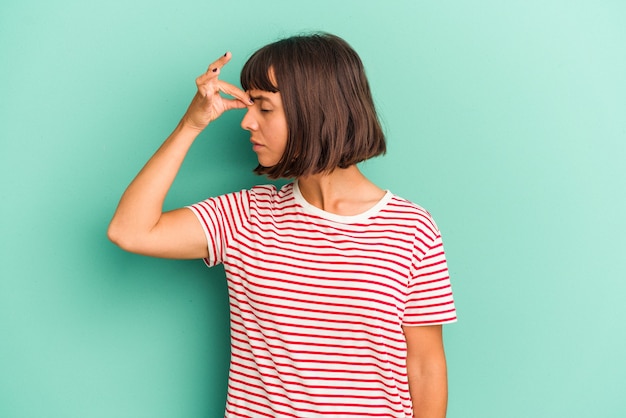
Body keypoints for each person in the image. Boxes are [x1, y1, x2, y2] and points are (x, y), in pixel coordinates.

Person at [108, 33, 456, 418]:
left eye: (264, 108)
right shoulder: (245, 216)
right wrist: (190, 125)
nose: (246, 121)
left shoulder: (411, 229)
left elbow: (425, 366)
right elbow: (130, 230)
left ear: (317, 110)